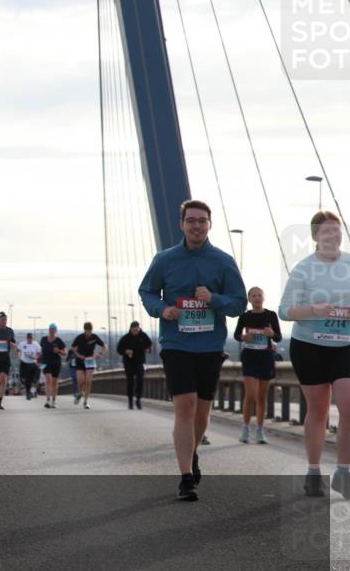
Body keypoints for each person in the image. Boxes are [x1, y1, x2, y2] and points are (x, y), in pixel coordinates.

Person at [139, 199, 246, 501]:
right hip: (176, 344)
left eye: (202, 221)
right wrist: (162, 309)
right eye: (191, 220)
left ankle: (193, 451)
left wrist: (214, 299)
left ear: (209, 225)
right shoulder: (164, 259)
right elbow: (146, 291)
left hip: (210, 345)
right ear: (181, 224)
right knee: (184, 405)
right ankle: (186, 478)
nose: (196, 226)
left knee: (201, 411)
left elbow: (238, 303)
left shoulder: (224, 261)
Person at [278, 211, 350, 497]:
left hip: (345, 344)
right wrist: (312, 310)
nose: (332, 236)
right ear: (315, 237)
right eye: (326, 232)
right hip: (309, 346)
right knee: (318, 410)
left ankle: (344, 471)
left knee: (348, 405)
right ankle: (313, 471)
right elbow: (284, 311)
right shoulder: (303, 269)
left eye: (336, 230)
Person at [234, 287, 282, 444]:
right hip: (250, 357)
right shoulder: (245, 316)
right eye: (253, 296)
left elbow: (279, 337)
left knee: (262, 397)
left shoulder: (271, 315)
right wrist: (244, 336)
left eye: (259, 295)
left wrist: (272, 334)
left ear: (264, 297)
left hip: (266, 357)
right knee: (251, 395)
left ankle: (260, 430)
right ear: (249, 299)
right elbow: (236, 335)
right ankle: (245, 428)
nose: (257, 298)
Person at [116, 321, 152, 410]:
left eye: (137, 330)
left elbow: (149, 345)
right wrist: (126, 351)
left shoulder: (143, 336)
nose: (135, 332)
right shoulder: (125, 338)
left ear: (139, 329)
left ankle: (138, 399)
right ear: (131, 329)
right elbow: (119, 349)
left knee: (140, 379)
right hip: (129, 363)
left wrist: (148, 349)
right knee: (130, 382)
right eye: (134, 330)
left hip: (140, 362)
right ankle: (130, 401)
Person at [71, 322, 106, 410]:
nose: (88, 333)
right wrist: (79, 356)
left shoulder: (94, 337)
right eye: (86, 331)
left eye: (89, 331)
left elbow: (105, 346)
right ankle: (80, 393)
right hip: (80, 360)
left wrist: (100, 353)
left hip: (90, 360)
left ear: (91, 330)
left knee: (88, 381)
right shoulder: (79, 338)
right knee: (80, 381)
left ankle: (86, 402)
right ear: (84, 330)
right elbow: (73, 349)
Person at [39, 324, 67, 408]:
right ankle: (47, 400)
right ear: (49, 330)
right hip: (46, 363)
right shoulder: (43, 339)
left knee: (54, 383)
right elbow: (41, 351)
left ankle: (54, 401)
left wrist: (58, 351)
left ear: (56, 330)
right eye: (51, 329)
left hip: (56, 363)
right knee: (48, 380)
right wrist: (37, 358)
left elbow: (65, 353)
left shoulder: (59, 341)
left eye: (53, 329)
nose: (52, 331)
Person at [18, 332, 42, 400]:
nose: (29, 339)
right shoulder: (22, 344)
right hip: (24, 363)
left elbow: (40, 352)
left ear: (32, 338)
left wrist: (36, 357)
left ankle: (31, 391)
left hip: (33, 363)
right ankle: (28, 393)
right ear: (26, 338)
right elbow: (18, 350)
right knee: (27, 379)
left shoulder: (36, 344)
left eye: (31, 338)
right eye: (28, 338)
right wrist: (19, 356)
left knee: (33, 379)